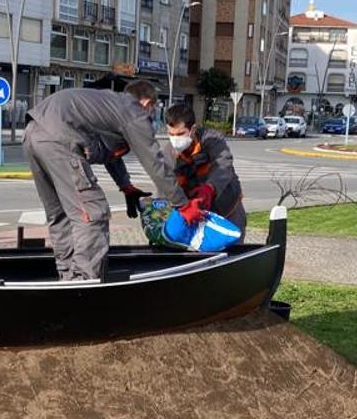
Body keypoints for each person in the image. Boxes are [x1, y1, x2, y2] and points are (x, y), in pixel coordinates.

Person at [23, 80, 185, 281]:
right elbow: (155, 163)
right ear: (146, 103)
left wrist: (125, 185)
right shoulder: (134, 111)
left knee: (63, 214)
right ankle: (83, 284)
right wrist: (182, 204)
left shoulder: (106, 105)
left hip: (32, 132)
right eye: (153, 109)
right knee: (92, 213)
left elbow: (108, 151)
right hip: (59, 137)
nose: (151, 116)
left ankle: (67, 277)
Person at [163, 103, 247, 236]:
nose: (175, 139)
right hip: (195, 215)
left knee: (232, 252)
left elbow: (223, 166)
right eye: (171, 134)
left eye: (180, 133)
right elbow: (164, 186)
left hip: (228, 211)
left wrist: (209, 189)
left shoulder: (212, 141)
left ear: (193, 129)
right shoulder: (168, 154)